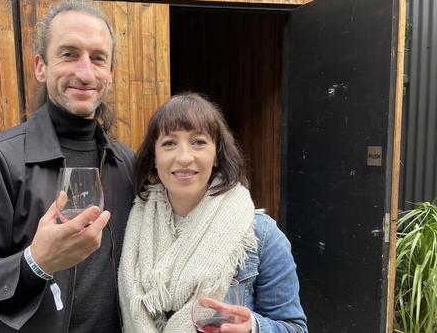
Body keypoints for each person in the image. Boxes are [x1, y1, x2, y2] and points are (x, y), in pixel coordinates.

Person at [0, 0, 135, 332]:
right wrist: (34, 264)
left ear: (110, 74)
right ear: (41, 66)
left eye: (97, 58)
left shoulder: (125, 162)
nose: (85, 72)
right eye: (69, 54)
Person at [118, 93, 307, 333]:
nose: (184, 157)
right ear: (155, 158)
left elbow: (295, 328)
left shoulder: (261, 235)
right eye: (169, 143)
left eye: (198, 142)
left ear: (216, 155)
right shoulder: (132, 227)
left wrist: (254, 328)